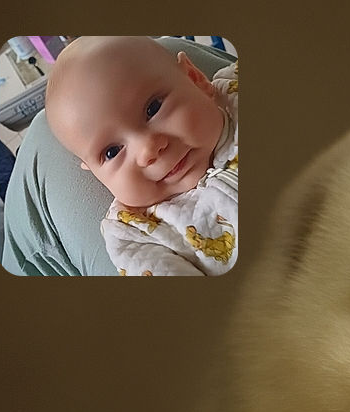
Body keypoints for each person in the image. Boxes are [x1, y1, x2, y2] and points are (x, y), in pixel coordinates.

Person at [45, 36, 238, 276]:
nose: (147, 150)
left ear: (194, 78)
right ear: (94, 173)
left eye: (153, 108)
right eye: (112, 152)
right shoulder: (133, 235)